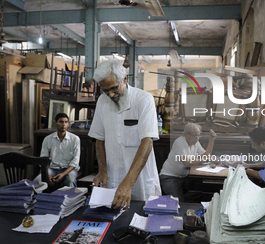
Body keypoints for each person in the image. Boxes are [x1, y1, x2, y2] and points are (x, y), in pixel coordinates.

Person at [88, 59, 161, 209]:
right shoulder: (102, 102)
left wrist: (128, 184)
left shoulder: (143, 100)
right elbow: (99, 139)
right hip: (113, 178)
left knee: (141, 220)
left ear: (125, 79)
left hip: (140, 180)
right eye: (105, 90)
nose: (110, 94)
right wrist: (102, 170)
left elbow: (147, 143)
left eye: (114, 88)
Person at [159, 123, 217, 202]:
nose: (196, 139)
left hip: (184, 178)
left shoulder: (195, 142)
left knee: (200, 194)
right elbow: (187, 162)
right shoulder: (179, 142)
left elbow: (207, 156)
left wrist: (211, 141)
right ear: (186, 134)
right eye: (194, 136)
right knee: (178, 203)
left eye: (198, 136)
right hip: (170, 177)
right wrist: (204, 159)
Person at [34, 113, 80, 187]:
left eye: (66, 122)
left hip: (68, 169)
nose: (63, 124)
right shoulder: (48, 139)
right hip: (51, 169)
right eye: (61, 122)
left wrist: (63, 174)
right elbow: (42, 159)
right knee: (37, 181)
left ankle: (69, 198)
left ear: (68, 124)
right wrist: (47, 175)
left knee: (70, 180)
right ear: (55, 123)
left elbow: (75, 161)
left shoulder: (75, 139)